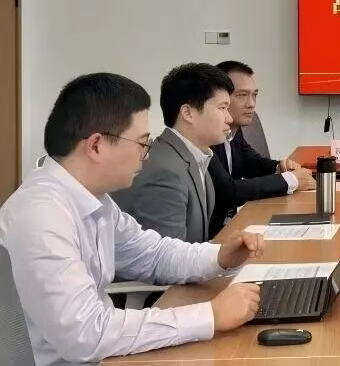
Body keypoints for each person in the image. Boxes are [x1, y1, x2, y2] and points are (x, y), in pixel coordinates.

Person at [0, 73, 263, 366]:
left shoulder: (94, 199)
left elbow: (153, 254)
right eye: (142, 143)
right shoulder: (41, 215)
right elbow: (86, 335)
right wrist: (209, 315)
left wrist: (220, 257)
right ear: (96, 145)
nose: (146, 156)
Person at [113, 63, 233, 242]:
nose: (229, 118)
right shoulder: (165, 173)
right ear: (188, 113)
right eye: (222, 108)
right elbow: (164, 257)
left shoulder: (194, 157)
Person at [208, 61, 316, 237]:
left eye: (255, 95)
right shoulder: (208, 137)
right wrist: (289, 180)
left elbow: (251, 162)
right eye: (242, 95)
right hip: (212, 238)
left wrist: (279, 167)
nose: (251, 104)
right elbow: (228, 191)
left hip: (232, 228)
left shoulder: (234, 131)